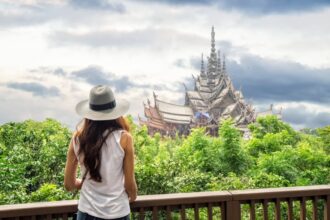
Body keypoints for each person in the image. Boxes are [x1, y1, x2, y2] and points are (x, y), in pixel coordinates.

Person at [64, 85, 137, 220]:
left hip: (87, 213)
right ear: (115, 112)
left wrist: (84, 184)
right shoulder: (124, 138)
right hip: (118, 212)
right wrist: (133, 196)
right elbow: (129, 184)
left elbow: (69, 184)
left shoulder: (77, 139)